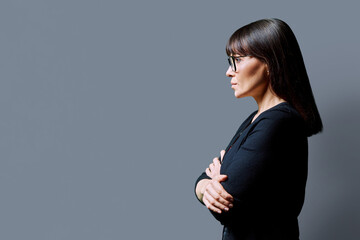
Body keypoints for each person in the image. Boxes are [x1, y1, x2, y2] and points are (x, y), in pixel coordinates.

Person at [194, 18, 323, 240]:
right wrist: (208, 185)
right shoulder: (255, 120)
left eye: (237, 60)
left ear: (270, 63)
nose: (228, 71)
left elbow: (227, 209)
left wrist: (217, 177)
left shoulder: (280, 122)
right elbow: (201, 179)